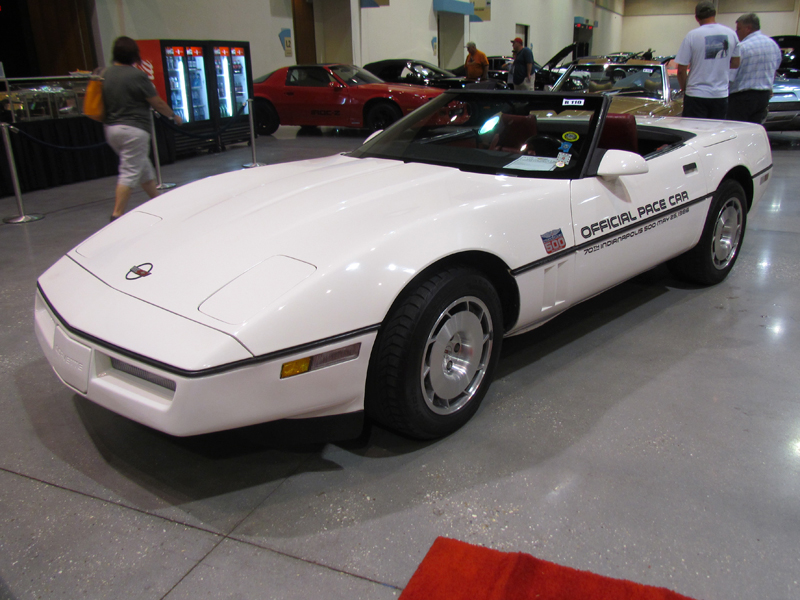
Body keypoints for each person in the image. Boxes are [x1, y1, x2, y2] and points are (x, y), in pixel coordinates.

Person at [103, 36, 182, 220]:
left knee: (143, 166)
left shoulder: (106, 74)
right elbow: (157, 102)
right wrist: (173, 116)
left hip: (111, 128)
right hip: (134, 129)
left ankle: (157, 201)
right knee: (130, 170)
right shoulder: (137, 75)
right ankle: (117, 213)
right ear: (134, 55)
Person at [675, 1, 740, 119]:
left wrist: (685, 89)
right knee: (716, 133)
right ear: (714, 14)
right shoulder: (731, 34)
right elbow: (735, 63)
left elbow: (681, 70)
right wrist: (719, 63)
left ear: (696, 18)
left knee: (694, 130)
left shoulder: (692, 35)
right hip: (720, 95)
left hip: (696, 94)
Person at [727, 13, 781, 124]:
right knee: (754, 130)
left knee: (736, 131)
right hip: (763, 97)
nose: (736, 32)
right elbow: (775, 68)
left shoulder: (742, 47)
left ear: (748, 28)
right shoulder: (773, 45)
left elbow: (731, 76)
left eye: (738, 29)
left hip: (742, 98)